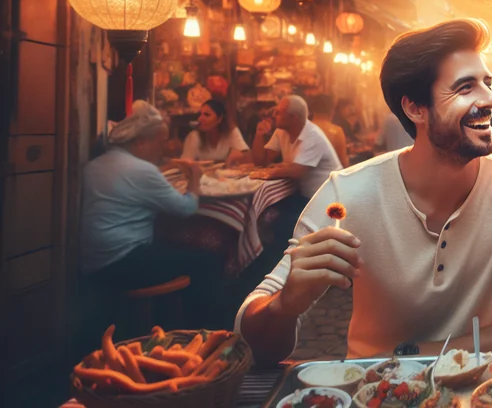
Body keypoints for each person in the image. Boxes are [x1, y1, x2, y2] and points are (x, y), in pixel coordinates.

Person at [236, 19, 492, 363]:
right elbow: (250, 341)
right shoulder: (347, 195)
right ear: (415, 109)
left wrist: (409, 356)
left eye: (488, 83)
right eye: (465, 87)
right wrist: (284, 306)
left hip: (484, 387)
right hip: (370, 387)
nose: (490, 100)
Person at [82, 101, 224, 329]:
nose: (162, 150)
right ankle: (203, 331)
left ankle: (166, 323)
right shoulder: (141, 170)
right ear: (140, 142)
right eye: (159, 143)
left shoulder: (97, 164)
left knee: (172, 250)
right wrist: (195, 178)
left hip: (93, 261)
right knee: (207, 262)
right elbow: (186, 208)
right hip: (121, 262)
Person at [250, 95, 344, 200]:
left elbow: (296, 171)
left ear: (293, 118)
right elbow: (261, 162)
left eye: (278, 112)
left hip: (329, 198)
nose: (273, 115)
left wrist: (267, 172)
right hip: (307, 196)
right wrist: (259, 134)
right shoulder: (281, 131)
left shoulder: (312, 134)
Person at [181, 99, 249, 164]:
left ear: (220, 118)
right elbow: (185, 164)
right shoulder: (194, 137)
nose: (200, 119)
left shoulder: (231, 132)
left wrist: (237, 155)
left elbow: (247, 155)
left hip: (226, 171)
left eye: (207, 115)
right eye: (200, 114)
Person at [309, 95, 351, 168]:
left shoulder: (303, 129)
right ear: (332, 111)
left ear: (313, 110)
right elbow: (343, 162)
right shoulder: (337, 132)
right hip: (330, 173)